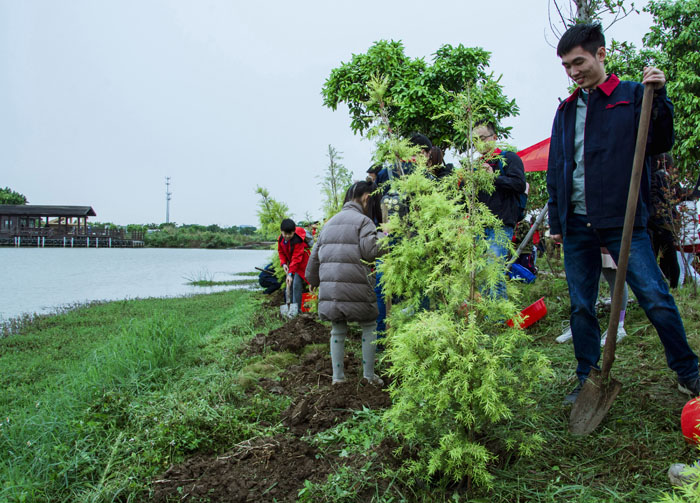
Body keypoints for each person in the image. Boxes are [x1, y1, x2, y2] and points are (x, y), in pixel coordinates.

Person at [546, 23, 699, 403]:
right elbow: (557, 168)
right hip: (577, 224)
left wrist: (659, 97)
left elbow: (660, 141)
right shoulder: (565, 111)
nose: (573, 71)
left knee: (654, 295)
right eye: (566, 66)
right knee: (581, 304)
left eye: (578, 61)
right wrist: (556, 222)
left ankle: (688, 372)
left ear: (600, 54)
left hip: (622, 219)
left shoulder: (633, 96)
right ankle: (587, 378)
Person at [305, 181, 383, 385]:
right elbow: (370, 252)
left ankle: (337, 378)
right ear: (366, 198)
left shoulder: (329, 223)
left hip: (331, 288)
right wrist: (386, 238)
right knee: (369, 325)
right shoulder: (364, 222)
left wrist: (312, 279)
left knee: (337, 328)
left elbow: (315, 255)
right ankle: (368, 376)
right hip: (356, 285)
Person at [473, 120, 527, 298]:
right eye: (475, 140)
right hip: (479, 227)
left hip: (500, 225)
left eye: (482, 138)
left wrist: (493, 178)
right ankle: (488, 318)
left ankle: (498, 321)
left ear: (494, 137)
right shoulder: (475, 166)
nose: (479, 143)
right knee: (481, 275)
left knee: (494, 272)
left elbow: (519, 184)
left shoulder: (509, 158)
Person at [649, 152, 681, 288]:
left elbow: (654, 197)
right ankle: (672, 284)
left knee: (656, 255)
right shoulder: (671, 180)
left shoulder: (657, 177)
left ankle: (666, 284)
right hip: (667, 222)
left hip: (659, 222)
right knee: (669, 255)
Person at [277, 218, 311, 315]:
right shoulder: (281, 239)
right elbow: (281, 252)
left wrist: (290, 274)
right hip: (292, 264)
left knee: (296, 284)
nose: (287, 236)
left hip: (302, 264)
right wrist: (283, 263)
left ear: (294, 231)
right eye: (285, 234)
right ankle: (290, 308)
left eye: (290, 234)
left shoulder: (298, 240)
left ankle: (297, 311)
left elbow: (296, 258)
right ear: (281, 231)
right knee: (290, 285)